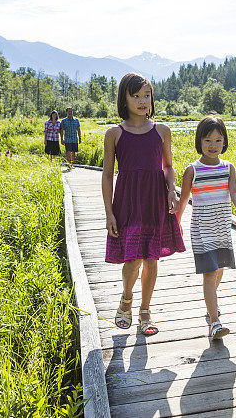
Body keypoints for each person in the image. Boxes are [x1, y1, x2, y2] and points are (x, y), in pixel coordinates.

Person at [103, 73, 184, 336]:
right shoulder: (114, 133)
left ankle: (145, 311)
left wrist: (172, 190)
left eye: (146, 95)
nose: (142, 101)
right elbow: (106, 175)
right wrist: (109, 213)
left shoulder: (162, 131)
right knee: (133, 257)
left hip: (155, 200)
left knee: (151, 257)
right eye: (135, 95)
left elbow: (169, 167)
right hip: (127, 202)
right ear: (123, 99)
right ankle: (127, 299)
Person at [178, 115, 236, 339]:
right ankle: (215, 321)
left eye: (218, 140)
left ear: (224, 142)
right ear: (199, 142)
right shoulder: (192, 170)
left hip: (222, 229)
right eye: (207, 140)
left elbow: (234, 191)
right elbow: (183, 201)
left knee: (219, 270)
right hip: (202, 231)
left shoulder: (228, 168)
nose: (213, 145)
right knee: (209, 274)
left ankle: (210, 306)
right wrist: (175, 225)